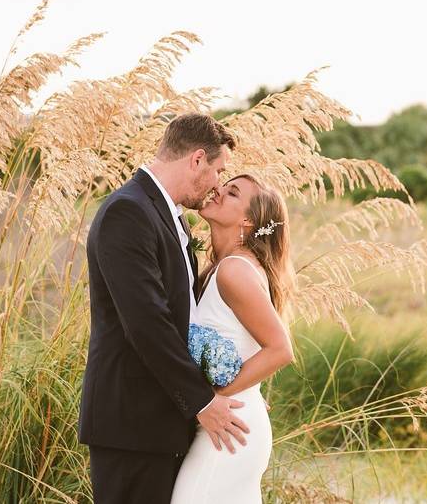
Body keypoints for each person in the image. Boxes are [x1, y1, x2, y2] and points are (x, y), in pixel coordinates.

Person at [79, 113, 249, 504]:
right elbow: (147, 323)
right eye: (218, 170)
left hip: (162, 423)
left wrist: (226, 384)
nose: (218, 184)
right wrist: (202, 402)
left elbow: (184, 317)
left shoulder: (171, 217)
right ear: (196, 160)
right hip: (131, 427)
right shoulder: (128, 212)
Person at [170, 173, 295, 503]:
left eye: (233, 193)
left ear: (248, 220)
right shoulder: (223, 266)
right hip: (231, 422)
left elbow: (280, 350)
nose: (218, 192)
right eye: (224, 186)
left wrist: (208, 398)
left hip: (229, 429)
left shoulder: (234, 270)